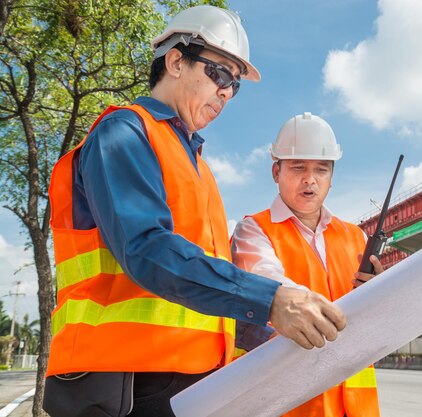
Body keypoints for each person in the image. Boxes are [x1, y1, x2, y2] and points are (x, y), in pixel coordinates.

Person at [43, 6, 345, 417]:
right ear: (175, 60)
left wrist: (269, 331)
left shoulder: (198, 165)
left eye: (235, 86)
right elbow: (147, 250)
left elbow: (200, 285)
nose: (226, 92)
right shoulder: (125, 133)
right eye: (219, 74)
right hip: (124, 384)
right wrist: (270, 299)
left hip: (186, 382)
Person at [232, 112, 382, 417]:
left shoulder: (356, 236)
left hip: (357, 406)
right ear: (276, 171)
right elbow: (268, 285)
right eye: (298, 167)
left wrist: (380, 293)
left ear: (331, 176)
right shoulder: (253, 230)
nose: (309, 179)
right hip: (293, 406)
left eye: (321, 169)